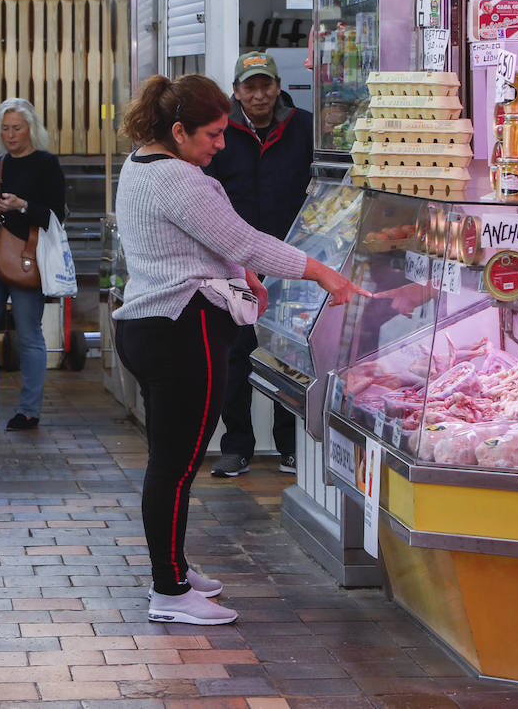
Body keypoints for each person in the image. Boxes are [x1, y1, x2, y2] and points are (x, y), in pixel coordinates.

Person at [113, 74, 367, 625]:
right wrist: (323, 272)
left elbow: (204, 243)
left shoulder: (142, 164)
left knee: (170, 461)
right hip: (183, 329)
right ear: (177, 131)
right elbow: (241, 239)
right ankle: (168, 590)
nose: (220, 145)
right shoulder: (182, 180)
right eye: (212, 135)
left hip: (150, 326)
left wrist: (242, 272)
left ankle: (174, 567)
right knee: (176, 467)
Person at [203, 51, 315, 478]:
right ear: (236, 91)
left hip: (290, 263)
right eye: (249, 86)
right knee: (234, 355)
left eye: (265, 84)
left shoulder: (303, 127)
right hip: (232, 266)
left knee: (289, 357)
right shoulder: (221, 133)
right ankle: (237, 446)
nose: (259, 94)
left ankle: (289, 444)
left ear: (278, 85)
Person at [0, 98, 67, 431]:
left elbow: (55, 216)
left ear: (31, 128)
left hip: (28, 258)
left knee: (28, 334)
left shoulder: (46, 164)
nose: (10, 134)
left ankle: (29, 411)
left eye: (16, 128)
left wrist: (22, 205)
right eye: (5, 128)